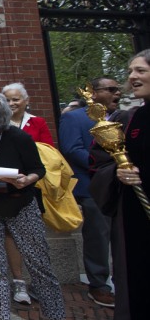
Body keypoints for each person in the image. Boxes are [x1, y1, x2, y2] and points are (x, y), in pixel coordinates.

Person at [0, 92, 65, 320]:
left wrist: (27, 179)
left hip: (20, 205)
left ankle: (55, 315)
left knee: (39, 265)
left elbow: (38, 169)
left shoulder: (19, 138)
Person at [91, 49, 150, 320]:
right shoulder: (130, 119)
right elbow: (102, 161)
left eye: (140, 70)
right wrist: (118, 171)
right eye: (130, 71)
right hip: (135, 215)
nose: (132, 76)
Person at [58, 76, 121, 308]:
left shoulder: (121, 118)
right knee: (98, 236)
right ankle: (98, 284)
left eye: (118, 89)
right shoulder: (74, 118)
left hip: (124, 185)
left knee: (122, 236)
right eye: (111, 89)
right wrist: (108, 168)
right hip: (93, 185)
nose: (118, 93)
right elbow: (72, 149)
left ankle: (123, 281)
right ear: (93, 93)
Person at [0, 82, 54, 305]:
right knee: (10, 234)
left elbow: (49, 151)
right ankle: (19, 282)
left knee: (34, 237)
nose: (12, 103)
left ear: (26, 101)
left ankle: (42, 284)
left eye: (16, 99)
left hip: (32, 185)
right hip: (6, 187)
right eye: (7, 99)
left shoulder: (37, 123)